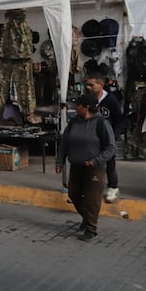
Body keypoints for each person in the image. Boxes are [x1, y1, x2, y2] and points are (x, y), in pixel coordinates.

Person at [56, 92, 115, 241]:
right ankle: (87, 218)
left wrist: (97, 160)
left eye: (78, 105)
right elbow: (64, 143)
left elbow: (110, 147)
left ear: (86, 107)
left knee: (92, 199)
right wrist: (59, 161)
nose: (75, 108)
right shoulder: (74, 122)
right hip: (76, 165)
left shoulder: (101, 123)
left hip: (94, 168)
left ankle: (91, 229)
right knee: (74, 194)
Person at [83, 74, 124, 203]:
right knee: (89, 163)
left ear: (100, 85)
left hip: (107, 138)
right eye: (87, 85)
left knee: (110, 163)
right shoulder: (87, 99)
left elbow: (120, 121)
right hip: (91, 138)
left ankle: (113, 187)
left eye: (91, 85)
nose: (88, 87)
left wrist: (114, 135)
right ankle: (88, 188)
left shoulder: (111, 100)